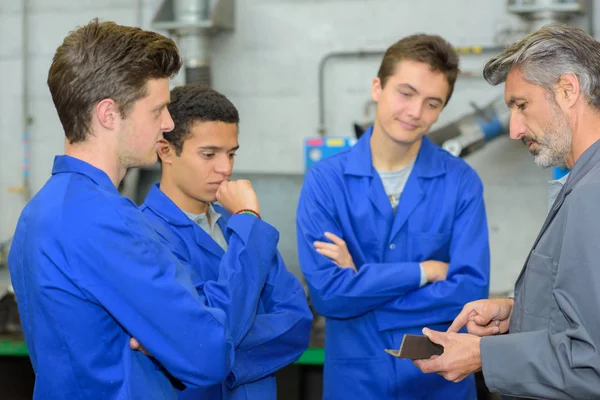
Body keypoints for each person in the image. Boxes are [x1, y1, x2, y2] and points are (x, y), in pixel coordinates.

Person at [7, 20, 235, 399]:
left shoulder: (39, 211)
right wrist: (171, 338)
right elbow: (208, 352)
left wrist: (161, 337)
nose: (168, 123)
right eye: (157, 109)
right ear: (109, 114)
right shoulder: (106, 220)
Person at [296, 33, 490, 399]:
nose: (416, 112)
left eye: (432, 103)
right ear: (377, 88)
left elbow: (468, 294)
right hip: (355, 383)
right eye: (406, 93)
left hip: (438, 382)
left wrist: (360, 286)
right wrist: (425, 272)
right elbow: (327, 296)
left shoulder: (461, 182)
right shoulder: (326, 181)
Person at [414, 23, 600, 400]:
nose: (514, 129)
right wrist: (518, 313)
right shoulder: (581, 182)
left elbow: (590, 363)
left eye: (521, 104)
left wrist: (483, 354)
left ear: (567, 90)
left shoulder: (591, 194)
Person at [140, 84, 313, 400]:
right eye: (209, 154)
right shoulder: (144, 234)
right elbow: (201, 336)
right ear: (165, 150)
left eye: (231, 153)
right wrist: (211, 340)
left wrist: (216, 353)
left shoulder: (241, 225)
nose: (226, 168)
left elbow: (297, 321)